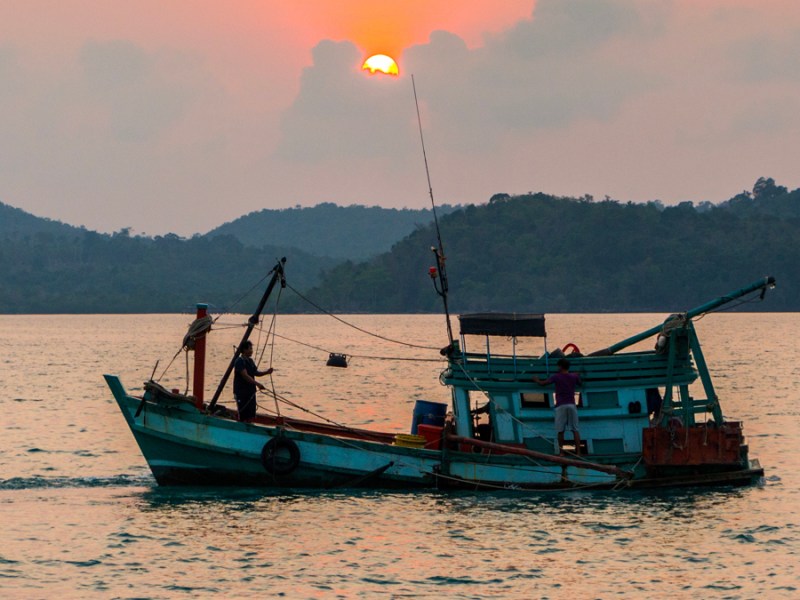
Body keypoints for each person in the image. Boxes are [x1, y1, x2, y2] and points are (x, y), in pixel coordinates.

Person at [534, 358, 582, 456]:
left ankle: (561, 452)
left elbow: (543, 384)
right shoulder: (573, 376)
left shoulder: (556, 377)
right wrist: (577, 375)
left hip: (561, 405)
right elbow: (580, 383)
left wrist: (536, 380)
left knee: (560, 430)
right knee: (575, 430)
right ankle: (579, 452)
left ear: (560, 366)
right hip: (572, 405)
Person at [233, 340, 273, 422]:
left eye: (252, 348)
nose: (252, 351)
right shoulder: (239, 361)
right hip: (241, 392)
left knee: (251, 413)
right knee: (243, 414)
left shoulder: (250, 361)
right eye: (250, 348)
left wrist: (267, 372)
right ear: (244, 350)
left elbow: (255, 373)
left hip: (250, 392)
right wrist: (258, 384)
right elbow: (245, 376)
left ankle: (249, 425)